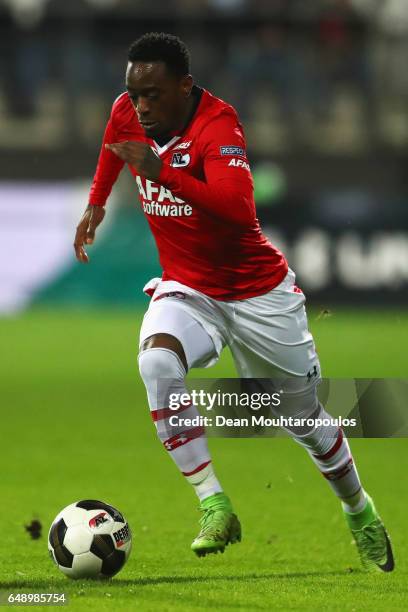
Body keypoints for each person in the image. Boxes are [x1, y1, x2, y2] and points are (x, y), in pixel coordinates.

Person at [74, 32, 394, 571]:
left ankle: (359, 510)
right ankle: (214, 503)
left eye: (153, 94)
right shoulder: (128, 112)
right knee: (157, 361)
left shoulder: (218, 126)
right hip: (189, 287)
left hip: (258, 296)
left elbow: (239, 210)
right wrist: (97, 205)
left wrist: (163, 174)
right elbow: (115, 142)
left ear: (185, 86)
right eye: (134, 94)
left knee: (305, 420)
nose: (141, 106)